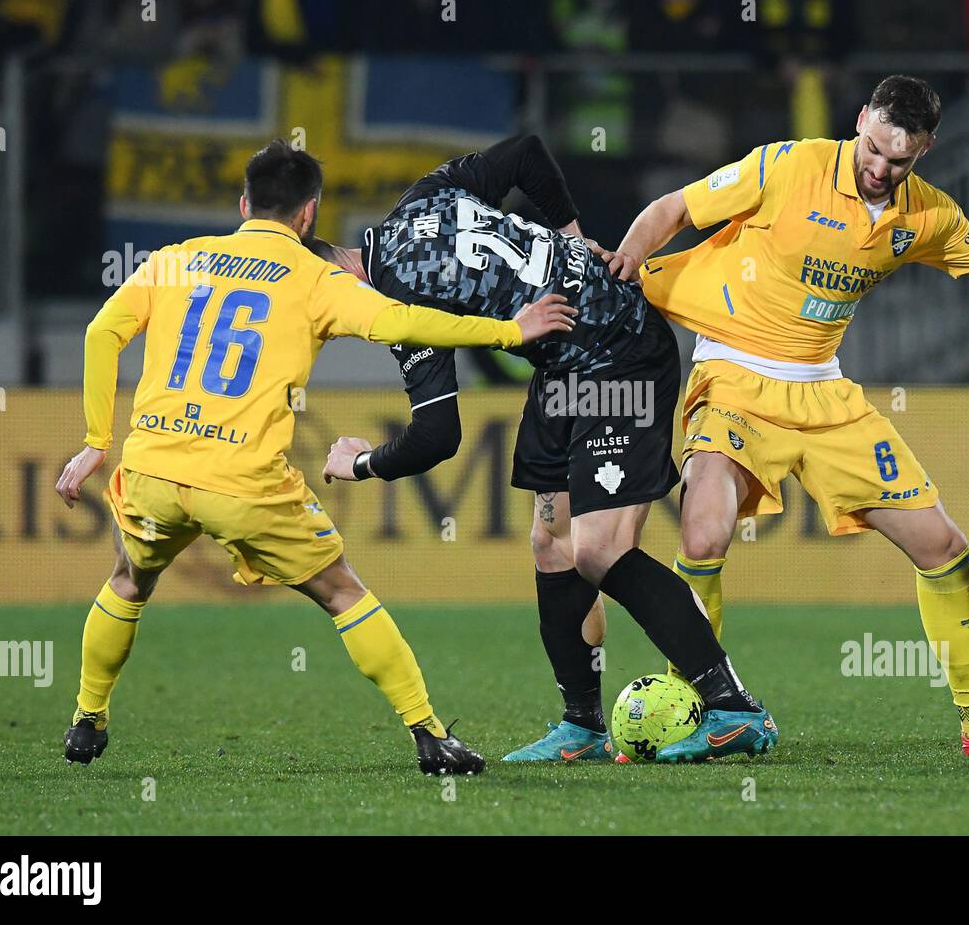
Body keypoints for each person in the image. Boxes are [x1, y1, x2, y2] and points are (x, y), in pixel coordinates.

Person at [600, 75, 969, 757]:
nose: (880, 169)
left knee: (943, 547)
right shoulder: (786, 165)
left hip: (824, 392)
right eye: (874, 150)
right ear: (860, 121)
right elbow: (673, 208)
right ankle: (695, 710)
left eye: (900, 160)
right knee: (703, 536)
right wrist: (627, 260)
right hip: (733, 375)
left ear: (926, 150)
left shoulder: (928, 217)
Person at [54, 139, 577, 776]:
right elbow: (404, 323)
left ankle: (88, 717)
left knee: (128, 582)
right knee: (342, 593)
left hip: (153, 471)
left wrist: (94, 442)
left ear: (244, 203)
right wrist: (508, 330)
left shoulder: (174, 260)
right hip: (244, 482)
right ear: (309, 217)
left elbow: (101, 332)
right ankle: (430, 735)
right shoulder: (316, 278)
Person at [315, 134, 775, 764]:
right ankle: (582, 727)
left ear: (333, 278)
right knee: (552, 546)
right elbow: (528, 153)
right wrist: (571, 234)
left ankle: (733, 707)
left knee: (600, 552)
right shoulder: (419, 201)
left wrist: (360, 462)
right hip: (564, 364)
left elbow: (436, 436)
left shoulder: (395, 302)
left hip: (621, 354)